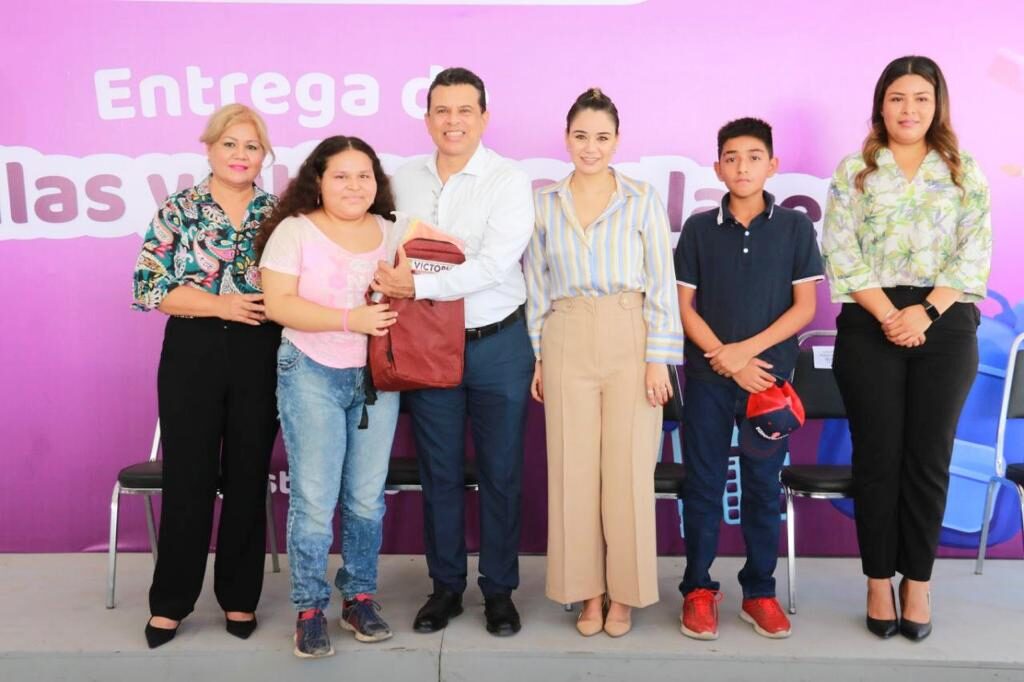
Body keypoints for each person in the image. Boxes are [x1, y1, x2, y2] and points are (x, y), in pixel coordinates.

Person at [823, 55, 991, 642]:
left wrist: (925, 311)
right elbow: (841, 253)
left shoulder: (963, 170)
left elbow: (974, 256)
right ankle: (876, 580)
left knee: (927, 460)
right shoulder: (855, 170)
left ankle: (917, 582)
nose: (909, 109)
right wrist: (892, 314)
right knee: (878, 459)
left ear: (937, 103)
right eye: (898, 97)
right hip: (871, 323)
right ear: (881, 103)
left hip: (945, 324)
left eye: (922, 97)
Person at [371, 67, 535, 636]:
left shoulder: (509, 180)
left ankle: (499, 591)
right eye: (442, 110)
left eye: (465, 111)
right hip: (425, 346)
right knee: (438, 473)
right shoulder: (401, 178)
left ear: (484, 118)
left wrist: (418, 283)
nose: (453, 121)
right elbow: (387, 247)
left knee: (501, 473)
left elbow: (492, 266)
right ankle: (444, 588)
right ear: (427, 118)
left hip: (497, 344)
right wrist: (399, 275)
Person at [524, 88, 683, 637]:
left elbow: (662, 283)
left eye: (602, 137)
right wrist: (540, 357)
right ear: (566, 138)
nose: (590, 147)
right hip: (566, 332)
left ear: (617, 141)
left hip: (630, 331)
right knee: (572, 472)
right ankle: (586, 594)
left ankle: (626, 595)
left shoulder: (641, 198)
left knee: (628, 473)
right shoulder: (544, 203)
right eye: (580, 136)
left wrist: (659, 359)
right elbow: (536, 286)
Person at [132, 104, 281, 649]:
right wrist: (222, 305)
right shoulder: (179, 210)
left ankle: (240, 597)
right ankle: (170, 602)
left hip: (262, 351)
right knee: (189, 478)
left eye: (252, 146)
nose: (241, 155)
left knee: (247, 474)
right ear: (210, 147)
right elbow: (150, 288)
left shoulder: (280, 213)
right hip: (193, 350)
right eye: (231, 144)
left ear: (264, 155)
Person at [674, 117, 824, 641]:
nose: (742, 166)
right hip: (709, 378)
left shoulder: (794, 228)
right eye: (731, 157)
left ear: (772, 165)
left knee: (762, 487)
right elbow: (683, 306)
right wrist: (721, 354)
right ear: (717, 166)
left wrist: (744, 354)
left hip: (769, 382)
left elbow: (805, 307)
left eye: (754, 156)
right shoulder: (697, 229)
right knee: (704, 484)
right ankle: (697, 588)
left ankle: (759, 591)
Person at [257, 136, 402, 658]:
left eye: (364, 175)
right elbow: (277, 305)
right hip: (310, 370)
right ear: (317, 179)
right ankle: (310, 607)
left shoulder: (392, 232)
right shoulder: (294, 232)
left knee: (366, 497)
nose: (354, 185)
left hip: (376, 380)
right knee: (316, 500)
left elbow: (417, 294)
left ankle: (359, 596)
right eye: (340, 175)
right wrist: (351, 320)